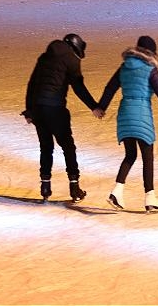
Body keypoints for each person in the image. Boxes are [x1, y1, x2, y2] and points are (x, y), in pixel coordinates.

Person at [96, 36, 158, 213]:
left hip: (124, 115)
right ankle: (150, 197)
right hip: (142, 115)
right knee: (148, 157)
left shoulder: (124, 66)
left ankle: (117, 191)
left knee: (130, 155)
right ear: (151, 53)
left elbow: (110, 87)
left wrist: (101, 107)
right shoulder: (149, 69)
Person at [22, 34, 101, 201]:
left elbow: (32, 83)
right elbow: (78, 86)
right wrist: (94, 106)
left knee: (46, 147)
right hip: (55, 109)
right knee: (68, 147)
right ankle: (74, 187)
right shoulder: (71, 60)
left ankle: (45, 187)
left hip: (38, 108)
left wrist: (30, 111)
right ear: (76, 48)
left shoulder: (44, 57)